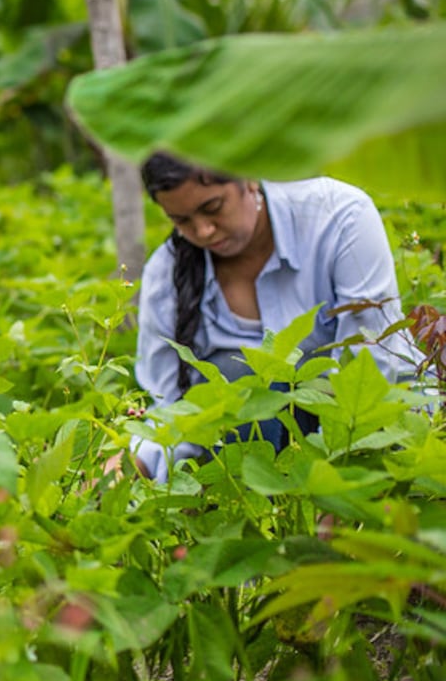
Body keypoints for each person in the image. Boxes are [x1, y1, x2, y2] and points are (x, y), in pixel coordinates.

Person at [130, 152, 421, 482]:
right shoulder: (166, 273)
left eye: (212, 208)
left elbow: (371, 365)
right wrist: (128, 469)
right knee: (235, 378)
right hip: (250, 462)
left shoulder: (338, 217)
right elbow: (168, 404)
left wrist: (340, 486)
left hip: (369, 430)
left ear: (249, 176)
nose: (204, 230)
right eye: (182, 221)